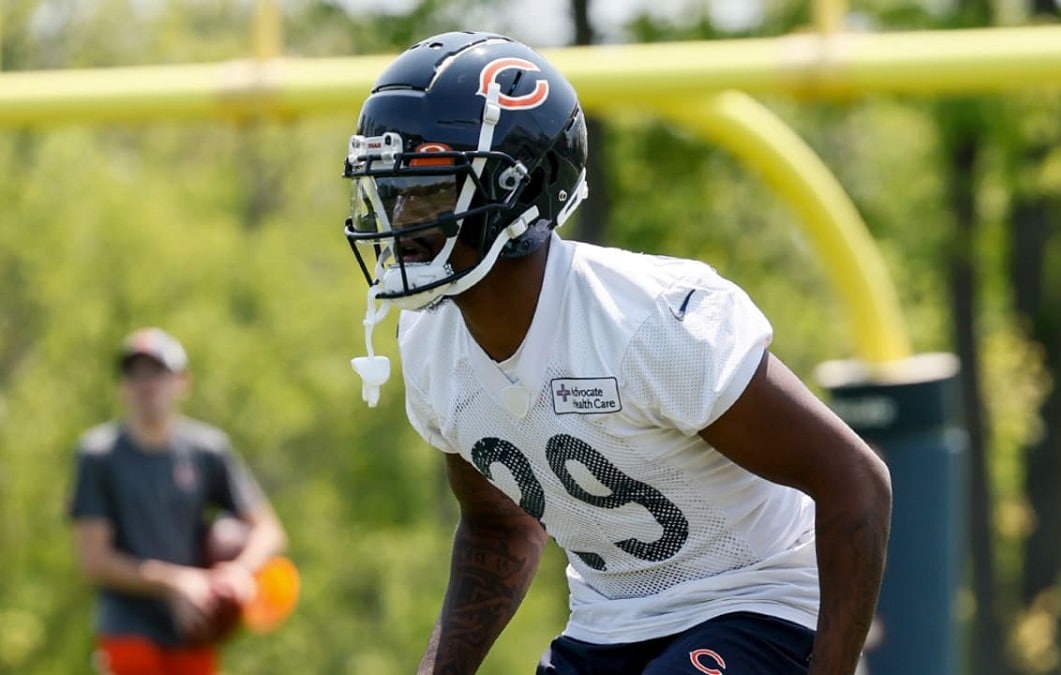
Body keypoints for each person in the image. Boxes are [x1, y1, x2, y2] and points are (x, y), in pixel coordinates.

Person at [342, 31, 892, 675]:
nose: (401, 215)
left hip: (763, 602)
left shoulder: (648, 320)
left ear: (517, 193)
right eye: (392, 189)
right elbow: (499, 527)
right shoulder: (433, 344)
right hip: (611, 622)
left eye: (431, 190)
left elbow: (856, 482)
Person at [68, 327, 288, 675]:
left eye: (157, 371)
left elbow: (268, 530)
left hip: (195, 629)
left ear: (182, 381)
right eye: (134, 373)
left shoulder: (208, 450)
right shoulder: (99, 456)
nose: (146, 383)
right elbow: (93, 559)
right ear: (122, 385)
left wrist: (238, 572)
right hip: (128, 632)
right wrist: (175, 583)